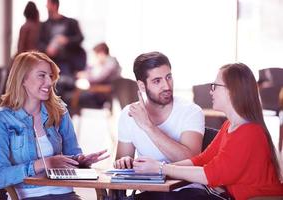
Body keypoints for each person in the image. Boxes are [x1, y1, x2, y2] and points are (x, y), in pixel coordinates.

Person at [133, 63, 283, 200]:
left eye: (215, 86)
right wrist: (157, 170)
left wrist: (161, 168)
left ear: (232, 91)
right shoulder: (229, 126)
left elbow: (210, 175)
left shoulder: (249, 132)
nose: (211, 92)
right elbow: (202, 160)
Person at [0, 51, 108, 200]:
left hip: (65, 194)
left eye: (50, 76)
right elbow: (0, 177)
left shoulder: (59, 111)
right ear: (23, 79)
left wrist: (79, 160)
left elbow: (73, 153)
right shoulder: (1, 119)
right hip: (29, 196)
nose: (49, 82)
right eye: (41, 75)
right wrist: (44, 163)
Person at [114, 51, 204, 169]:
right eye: (157, 81)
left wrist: (148, 126)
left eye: (169, 77)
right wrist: (124, 162)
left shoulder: (191, 111)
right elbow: (119, 172)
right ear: (142, 86)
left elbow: (191, 161)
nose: (167, 86)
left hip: (185, 187)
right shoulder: (129, 113)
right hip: (149, 187)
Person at [38, 0, 86, 95]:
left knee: (64, 88)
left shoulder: (71, 23)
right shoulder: (44, 25)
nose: (46, 6)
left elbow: (80, 38)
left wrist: (67, 40)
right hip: (50, 63)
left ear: (54, 5)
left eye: (48, 4)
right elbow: (39, 43)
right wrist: (47, 49)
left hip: (67, 65)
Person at [74, 42, 121, 109]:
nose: (95, 57)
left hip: (102, 95)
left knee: (75, 98)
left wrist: (85, 75)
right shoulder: (105, 63)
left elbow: (98, 78)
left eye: (96, 55)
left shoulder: (110, 64)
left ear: (101, 53)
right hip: (98, 91)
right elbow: (90, 72)